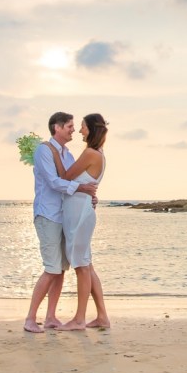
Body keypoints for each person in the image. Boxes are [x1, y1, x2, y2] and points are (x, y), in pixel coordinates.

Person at [23, 112, 98, 334]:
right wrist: (81, 188)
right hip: (48, 215)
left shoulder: (68, 154)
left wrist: (89, 195)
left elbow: (75, 180)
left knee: (61, 270)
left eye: (74, 126)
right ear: (57, 127)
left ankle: (50, 317)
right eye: (69, 126)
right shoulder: (44, 150)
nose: (73, 130)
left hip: (65, 215)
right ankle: (29, 318)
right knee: (51, 269)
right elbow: (54, 182)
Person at [56, 113, 111, 331]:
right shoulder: (98, 153)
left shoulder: (90, 153)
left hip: (79, 214)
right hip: (81, 210)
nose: (80, 131)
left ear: (91, 129)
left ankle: (79, 319)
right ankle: (102, 317)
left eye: (83, 127)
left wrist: (51, 153)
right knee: (86, 264)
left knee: (81, 266)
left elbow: (66, 176)